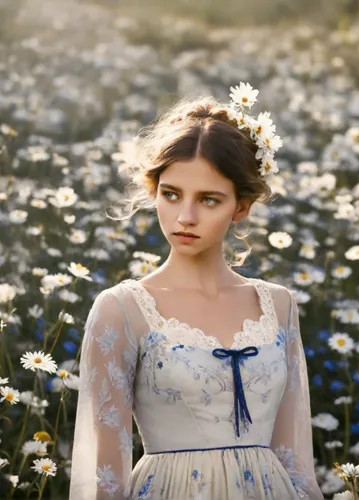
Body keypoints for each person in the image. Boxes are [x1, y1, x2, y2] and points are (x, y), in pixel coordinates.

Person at [68, 82, 325, 500]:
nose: (184, 216)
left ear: (240, 207)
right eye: (171, 194)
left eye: (208, 200)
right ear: (155, 192)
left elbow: (295, 463)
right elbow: (103, 479)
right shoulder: (121, 310)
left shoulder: (279, 305)